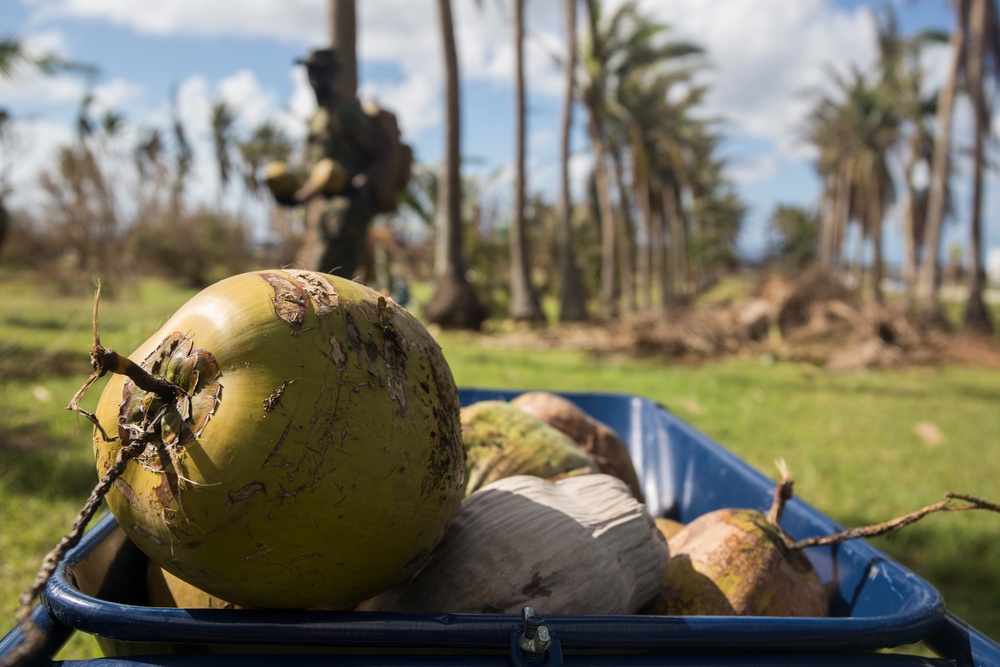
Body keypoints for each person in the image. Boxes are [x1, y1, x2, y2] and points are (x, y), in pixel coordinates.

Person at [292, 48, 389, 279]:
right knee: (320, 276)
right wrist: (298, 197)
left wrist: (358, 183)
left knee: (331, 277)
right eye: (311, 72)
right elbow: (323, 172)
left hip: (349, 208)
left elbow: (381, 154)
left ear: (333, 75)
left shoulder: (345, 111)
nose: (315, 78)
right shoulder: (319, 115)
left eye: (321, 72)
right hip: (326, 206)